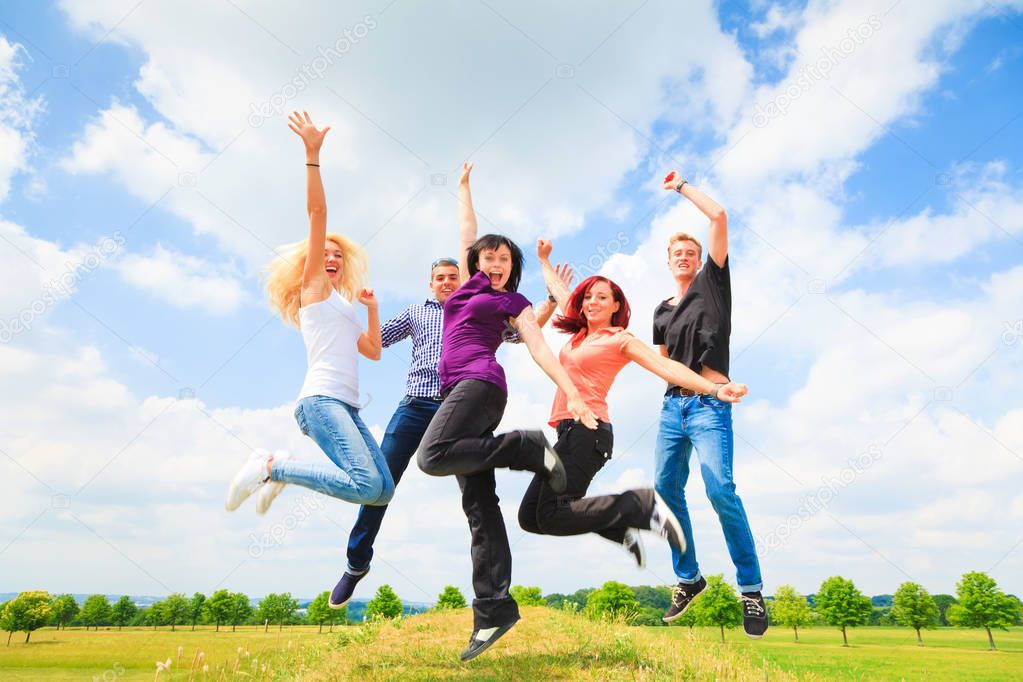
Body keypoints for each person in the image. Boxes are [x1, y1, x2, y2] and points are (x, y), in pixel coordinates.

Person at [416, 163, 599, 662]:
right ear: (476, 261)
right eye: (488, 256)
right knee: (479, 507)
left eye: (504, 259)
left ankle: (523, 446)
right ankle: (493, 610)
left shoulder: (511, 301)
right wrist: (463, 187)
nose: (495, 262)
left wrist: (573, 393)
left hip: (478, 387)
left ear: (510, 269)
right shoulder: (465, 287)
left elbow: (538, 346)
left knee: (431, 457)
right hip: (461, 393)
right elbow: (466, 231)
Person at [328, 256, 571, 609]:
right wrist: (352, 312)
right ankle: (356, 563)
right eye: (439, 277)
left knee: (479, 498)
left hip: (463, 406)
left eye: (452, 277)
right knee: (380, 484)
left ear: (462, 281)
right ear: (431, 284)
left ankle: (495, 596)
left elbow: (523, 334)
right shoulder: (416, 313)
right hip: (416, 406)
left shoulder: (479, 309)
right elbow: (374, 342)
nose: (446, 282)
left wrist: (549, 301)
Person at [517, 239, 748, 570]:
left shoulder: (619, 339)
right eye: (588, 297)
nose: (592, 302)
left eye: (602, 297)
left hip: (589, 432)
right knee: (530, 518)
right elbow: (562, 291)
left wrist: (712, 389)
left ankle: (636, 506)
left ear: (615, 306)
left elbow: (667, 368)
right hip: (566, 432)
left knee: (552, 514)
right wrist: (543, 262)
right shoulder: (580, 334)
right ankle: (617, 525)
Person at [224, 111, 393, 516]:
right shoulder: (313, 287)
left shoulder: (343, 305)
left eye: (338, 255)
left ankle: (279, 471)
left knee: (381, 491)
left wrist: (371, 311)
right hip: (321, 401)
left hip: (346, 405)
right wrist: (312, 154)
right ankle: (273, 467)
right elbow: (318, 214)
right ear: (314, 261)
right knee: (366, 482)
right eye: (325, 253)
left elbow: (373, 351)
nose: (331, 257)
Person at [652, 170, 767, 638]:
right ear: (669, 261)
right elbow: (662, 365)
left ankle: (752, 591)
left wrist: (681, 187)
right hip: (671, 411)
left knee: (720, 491)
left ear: (702, 259)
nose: (684, 256)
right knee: (663, 492)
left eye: (691, 252)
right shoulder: (660, 311)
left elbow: (718, 215)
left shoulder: (714, 285)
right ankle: (688, 577)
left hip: (711, 408)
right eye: (677, 253)